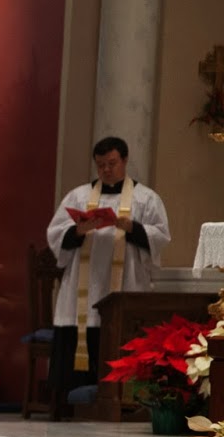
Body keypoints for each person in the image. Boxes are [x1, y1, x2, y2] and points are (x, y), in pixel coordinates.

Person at [45, 136, 171, 419]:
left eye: (112, 163)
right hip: (83, 290)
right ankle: (69, 407)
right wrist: (79, 230)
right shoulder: (78, 196)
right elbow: (55, 235)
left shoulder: (146, 198)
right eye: (101, 165)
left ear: (124, 161)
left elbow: (161, 236)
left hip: (126, 285)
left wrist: (132, 227)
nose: (106, 170)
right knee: (79, 341)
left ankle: (126, 408)